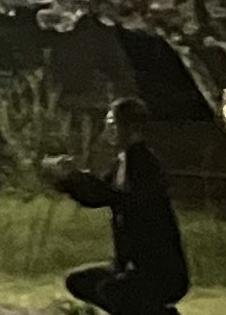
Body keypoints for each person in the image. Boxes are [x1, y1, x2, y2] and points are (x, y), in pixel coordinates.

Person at [49, 97, 189, 315]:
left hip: (160, 271)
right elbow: (97, 196)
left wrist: (77, 177)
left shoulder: (144, 163)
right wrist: (67, 180)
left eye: (113, 124)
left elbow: (124, 198)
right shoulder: (121, 162)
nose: (107, 130)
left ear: (133, 127)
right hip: (129, 264)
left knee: (113, 290)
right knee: (79, 281)